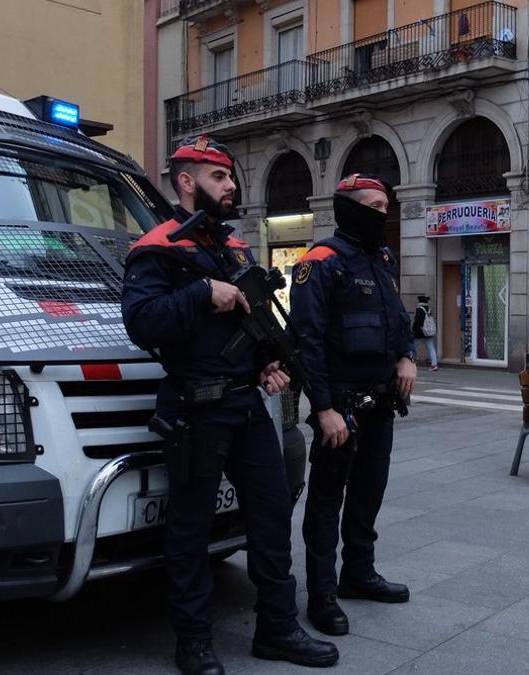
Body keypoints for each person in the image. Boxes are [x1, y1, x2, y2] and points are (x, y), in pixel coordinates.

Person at [121, 136, 337, 675]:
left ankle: (278, 628)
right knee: (190, 530)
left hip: (244, 404)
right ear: (188, 181)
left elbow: (253, 318)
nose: (231, 185)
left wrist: (267, 360)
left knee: (269, 519)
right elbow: (141, 322)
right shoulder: (157, 245)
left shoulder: (234, 248)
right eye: (218, 177)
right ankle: (193, 640)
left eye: (230, 176)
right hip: (195, 409)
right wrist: (201, 294)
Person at [289, 173, 418, 637]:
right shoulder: (320, 261)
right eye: (374, 205)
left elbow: (398, 318)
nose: (383, 212)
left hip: (381, 403)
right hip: (339, 407)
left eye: (386, 205)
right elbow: (306, 341)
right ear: (348, 208)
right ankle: (322, 594)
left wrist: (408, 355)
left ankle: (358, 574)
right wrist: (322, 408)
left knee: (369, 494)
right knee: (327, 502)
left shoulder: (383, 257)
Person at [412, 295, 439, 371]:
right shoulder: (428, 308)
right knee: (431, 348)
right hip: (428, 332)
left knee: (412, 347)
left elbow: (418, 321)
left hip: (419, 332)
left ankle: (412, 362)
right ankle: (434, 364)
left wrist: (413, 329)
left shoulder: (419, 309)